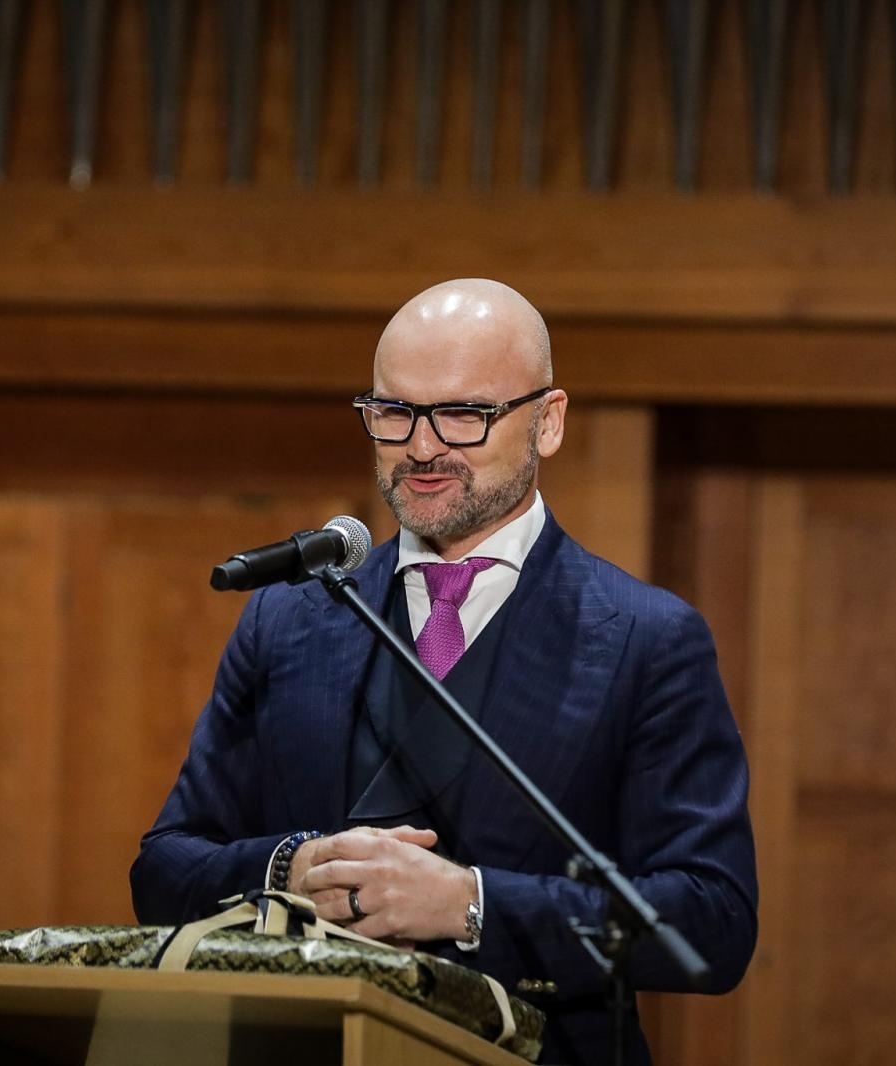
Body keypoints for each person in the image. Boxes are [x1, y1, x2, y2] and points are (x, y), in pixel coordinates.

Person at [131, 278, 757, 1065]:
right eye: (394, 413)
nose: (422, 447)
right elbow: (162, 870)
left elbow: (712, 921)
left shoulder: (646, 639)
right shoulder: (293, 616)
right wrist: (286, 869)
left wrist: (471, 904)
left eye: (464, 414)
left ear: (548, 421)